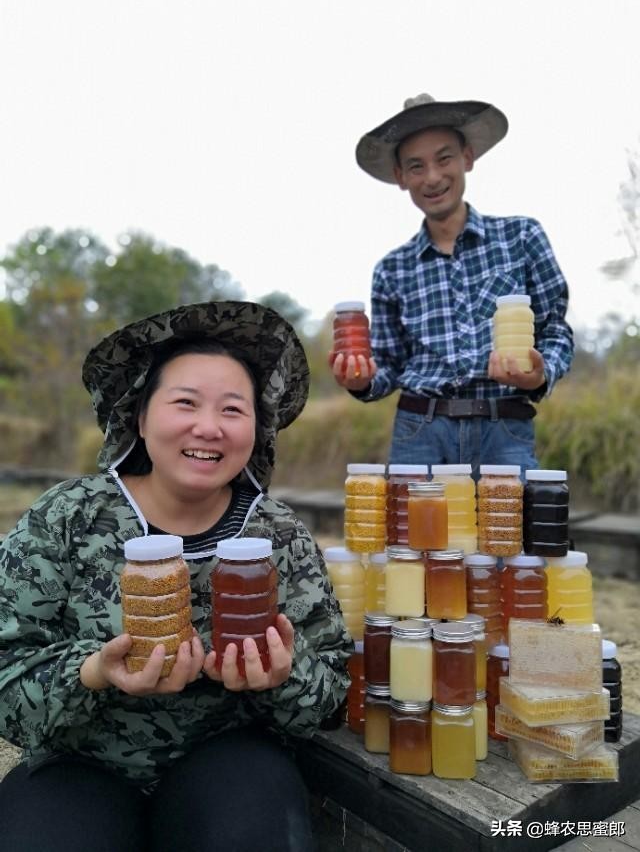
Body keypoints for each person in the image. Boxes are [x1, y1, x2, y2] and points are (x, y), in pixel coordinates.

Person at [0, 300, 352, 852]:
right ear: (139, 418)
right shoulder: (68, 517)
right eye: (185, 402)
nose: (208, 427)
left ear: (258, 429)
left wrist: (285, 673)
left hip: (229, 758)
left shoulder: (278, 536)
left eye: (233, 410)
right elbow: (6, 681)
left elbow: (330, 697)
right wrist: (93, 672)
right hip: (80, 764)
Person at [332, 93, 574, 475]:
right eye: (416, 166)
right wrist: (361, 380)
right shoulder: (391, 270)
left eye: (444, 158)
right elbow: (390, 365)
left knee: (508, 535)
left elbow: (555, 329)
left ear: (467, 158)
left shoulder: (522, 237)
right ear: (400, 177)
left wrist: (541, 372)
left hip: (504, 428)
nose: (432, 177)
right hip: (420, 433)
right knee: (413, 537)